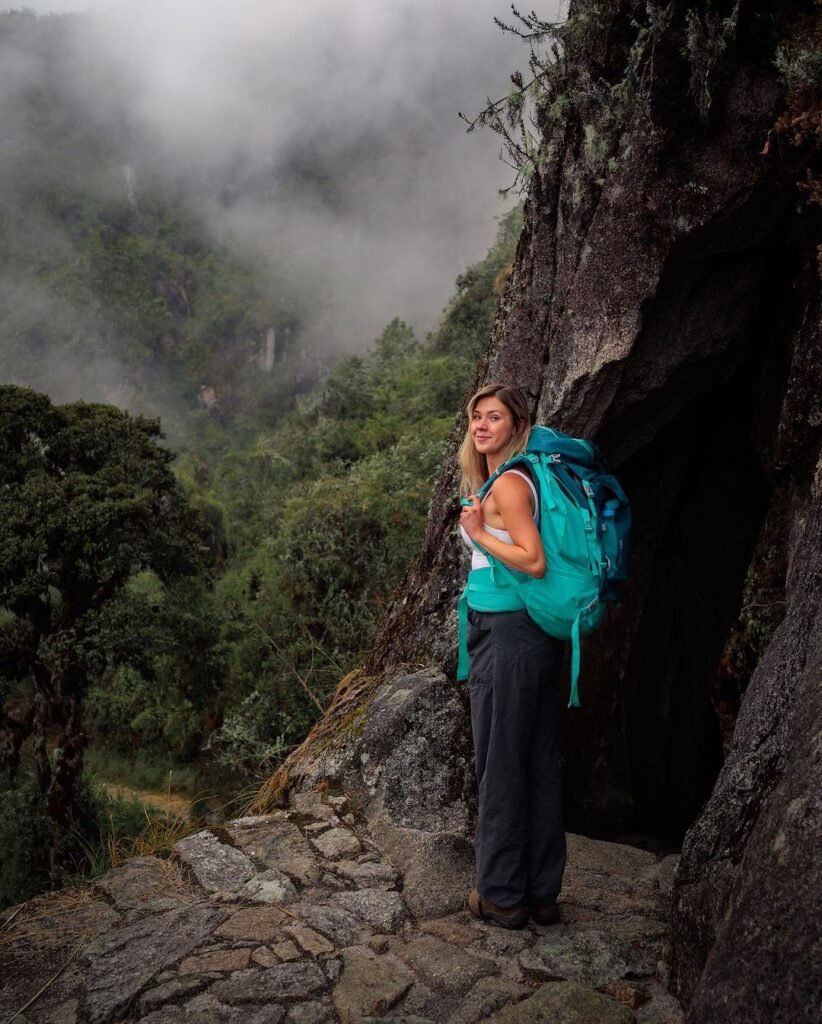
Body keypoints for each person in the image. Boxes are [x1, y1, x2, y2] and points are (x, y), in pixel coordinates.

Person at [458, 382, 565, 930]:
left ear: (516, 425)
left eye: (493, 417)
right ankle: (541, 894)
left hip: (506, 634)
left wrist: (478, 530)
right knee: (536, 758)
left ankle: (500, 894)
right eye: (476, 416)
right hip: (529, 634)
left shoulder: (512, 485)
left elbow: (534, 560)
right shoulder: (515, 477)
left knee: (501, 761)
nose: (481, 426)